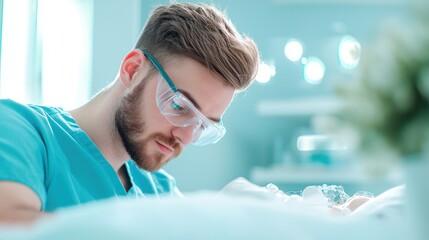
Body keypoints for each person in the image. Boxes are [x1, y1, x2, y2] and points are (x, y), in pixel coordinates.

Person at [0, 2, 259, 224]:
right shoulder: (22, 131)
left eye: (203, 126)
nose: (186, 137)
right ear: (133, 70)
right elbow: (11, 227)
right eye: (179, 106)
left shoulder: (160, 190)